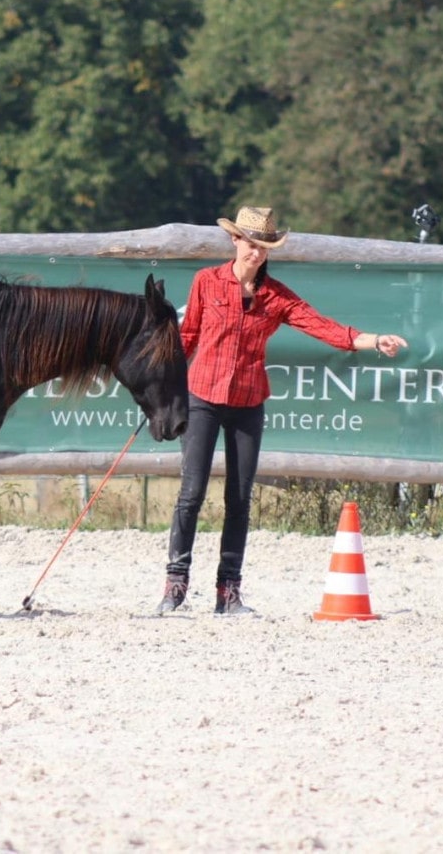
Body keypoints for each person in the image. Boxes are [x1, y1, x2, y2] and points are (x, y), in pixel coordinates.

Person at [158, 206, 408, 615]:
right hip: (202, 396)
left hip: (247, 402)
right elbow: (187, 336)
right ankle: (175, 585)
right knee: (191, 493)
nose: (255, 253)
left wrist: (372, 339)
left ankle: (228, 591)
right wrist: (165, 386)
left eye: (263, 247)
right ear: (235, 241)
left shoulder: (276, 297)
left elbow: (320, 325)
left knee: (240, 499)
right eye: (249, 244)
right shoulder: (206, 282)